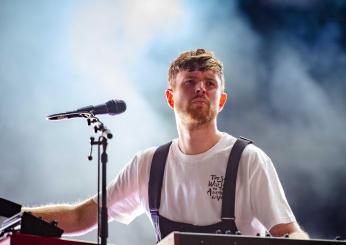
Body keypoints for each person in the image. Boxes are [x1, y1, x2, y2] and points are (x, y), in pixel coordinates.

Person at [23, 49, 308, 241]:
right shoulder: (148, 165)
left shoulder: (249, 160)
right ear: (170, 98)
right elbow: (81, 216)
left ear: (221, 101)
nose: (201, 88)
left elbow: (289, 233)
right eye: (190, 81)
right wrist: (14, 218)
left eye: (210, 83)